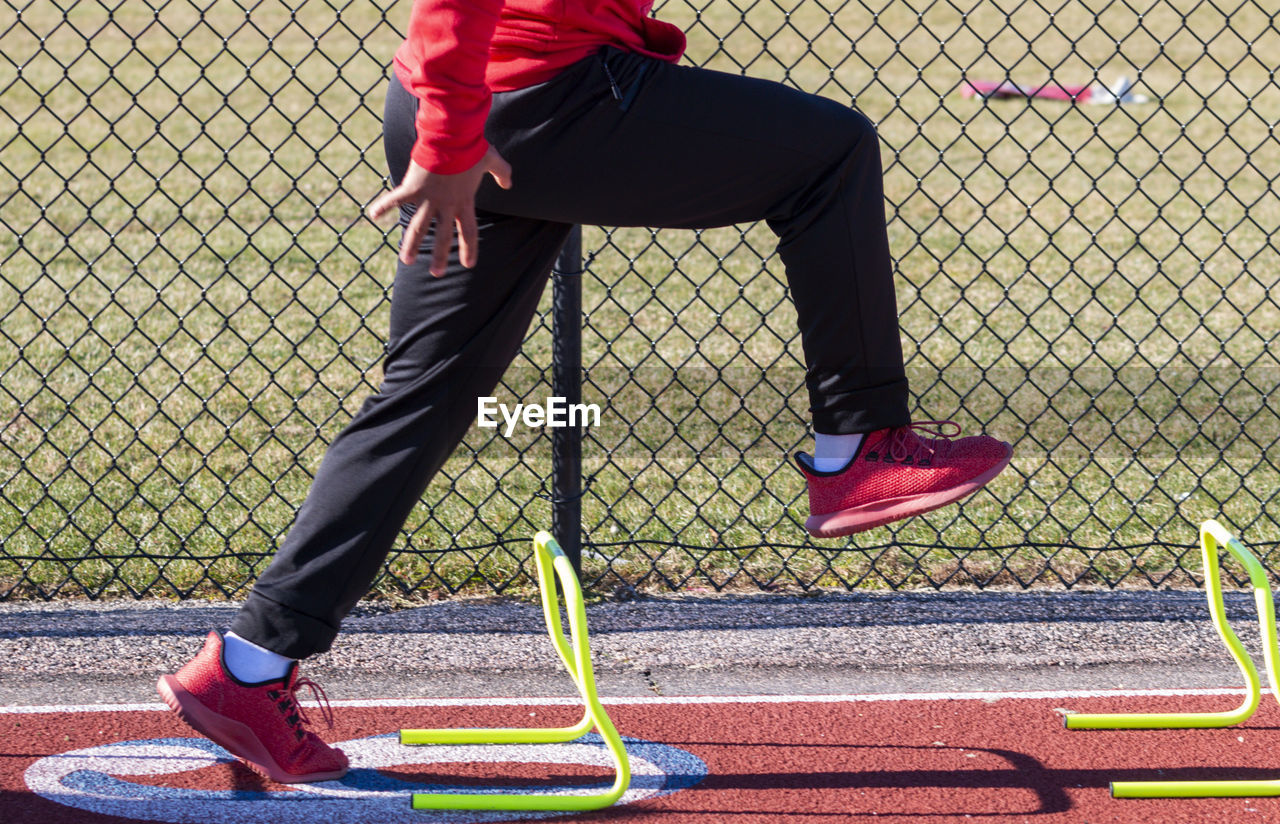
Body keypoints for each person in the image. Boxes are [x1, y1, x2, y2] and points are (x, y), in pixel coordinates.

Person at [156, 0, 1013, 783]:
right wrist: (450, 143)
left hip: (476, 106)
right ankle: (859, 448)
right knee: (831, 153)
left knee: (424, 397)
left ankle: (249, 665)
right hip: (531, 106)